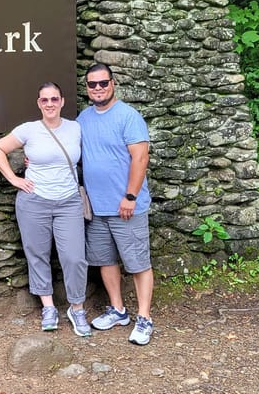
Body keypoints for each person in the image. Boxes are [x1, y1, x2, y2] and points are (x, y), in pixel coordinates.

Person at [0, 82, 91, 337]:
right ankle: (48, 307)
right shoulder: (28, 130)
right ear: (38, 103)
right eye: (44, 100)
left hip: (68, 200)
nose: (50, 104)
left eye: (54, 99)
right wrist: (14, 178)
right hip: (35, 201)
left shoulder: (76, 128)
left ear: (62, 102)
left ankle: (77, 307)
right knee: (38, 254)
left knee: (75, 257)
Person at [77, 63, 154, 345]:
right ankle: (118, 309)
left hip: (126, 207)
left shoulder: (129, 117)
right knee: (104, 260)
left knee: (137, 263)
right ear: (87, 88)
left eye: (102, 83)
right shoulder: (83, 119)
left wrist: (130, 196)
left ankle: (144, 318)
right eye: (92, 84)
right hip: (97, 209)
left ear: (113, 83)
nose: (98, 88)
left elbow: (140, 158)